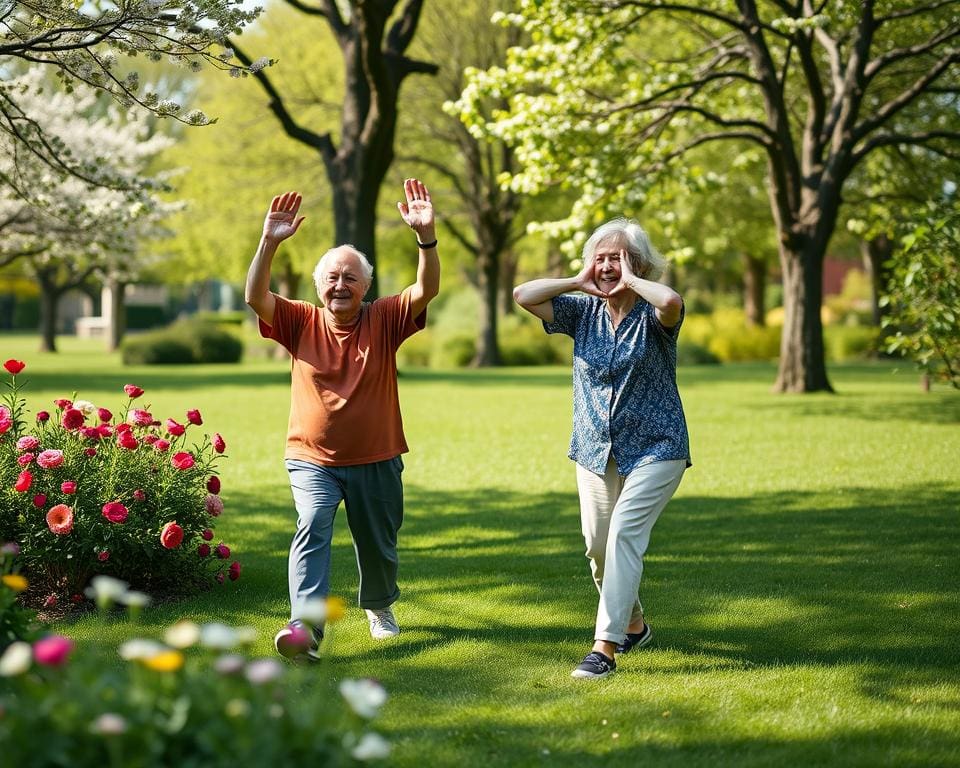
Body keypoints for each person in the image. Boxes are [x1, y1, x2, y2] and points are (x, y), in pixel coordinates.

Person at [245, 178, 440, 658]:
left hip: (377, 456)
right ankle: (305, 629)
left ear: (366, 286)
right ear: (318, 287)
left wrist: (426, 238)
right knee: (312, 523)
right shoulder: (299, 320)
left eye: (351, 277)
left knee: (378, 546)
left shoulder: (386, 318)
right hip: (311, 458)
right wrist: (269, 241)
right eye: (332, 277)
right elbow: (255, 295)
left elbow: (426, 288)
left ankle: (379, 605)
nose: (340, 285)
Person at [513, 218, 691, 679]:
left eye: (618, 257)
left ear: (638, 264)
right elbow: (523, 295)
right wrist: (579, 279)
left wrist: (634, 281)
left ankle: (604, 649)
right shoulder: (581, 312)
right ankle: (633, 624)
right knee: (597, 545)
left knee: (625, 534)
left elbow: (671, 300)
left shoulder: (655, 315)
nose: (608, 266)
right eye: (602, 257)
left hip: (657, 446)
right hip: (595, 447)